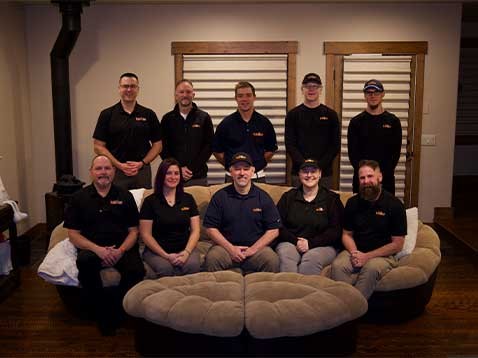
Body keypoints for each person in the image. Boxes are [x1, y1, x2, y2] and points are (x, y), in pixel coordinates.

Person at [64, 155, 145, 335]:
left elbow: (134, 231)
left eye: (107, 168)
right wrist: (98, 250)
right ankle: (102, 313)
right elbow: (73, 235)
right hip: (92, 249)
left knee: (137, 271)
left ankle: (115, 310)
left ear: (114, 172)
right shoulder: (78, 198)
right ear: (91, 172)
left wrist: (121, 250)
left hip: (121, 247)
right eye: (99, 169)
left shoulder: (125, 196)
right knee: (84, 262)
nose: (103, 172)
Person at [331, 160, 407, 299]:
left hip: (382, 256)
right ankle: (344, 305)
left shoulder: (395, 205)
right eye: (362, 178)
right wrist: (355, 253)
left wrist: (367, 257)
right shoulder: (352, 203)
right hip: (355, 251)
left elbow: (398, 244)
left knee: (370, 269)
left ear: (380, 177)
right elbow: (346, 234)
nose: (366, 181)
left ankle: (351, 308)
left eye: (370, 176)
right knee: (338, 266)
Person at [203, 152, 281, 273]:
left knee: (272, 260)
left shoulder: (263, 197)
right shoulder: (220, 197)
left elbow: (274, 230)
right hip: (226, 249)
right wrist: (231, 249)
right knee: (212, 258)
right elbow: (210, 228)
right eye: (237, 169)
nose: (242, 173)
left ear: (252, 171)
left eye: (246, 169)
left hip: (256, 250)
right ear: (231, 171)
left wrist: (253, 250)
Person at [93, 72, 162, 190]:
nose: (129, 89)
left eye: (132, 86)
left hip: (141, 172)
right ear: (119, 88)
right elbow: (98, 146)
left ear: (138, 89)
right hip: (116, 171)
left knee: (142, 206)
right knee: (116, 205)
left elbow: (158, 145)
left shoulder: (149, 114)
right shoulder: (107, 114)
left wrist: (142, 163)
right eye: (125, 86)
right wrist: (119, 165)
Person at [275, 159, 344, 274]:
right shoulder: (288, 197)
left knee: (311, 259)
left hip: (323, 246)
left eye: (313, 171)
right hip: (291, 243)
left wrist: (311, 243)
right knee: (286, 257)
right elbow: (278, 225)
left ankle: (304, 292)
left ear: (320, 174)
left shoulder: (332, 199)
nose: (309, 175)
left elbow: (336, 230)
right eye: (305, 171)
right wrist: (296, 241)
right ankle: (287, 291)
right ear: (299, 174)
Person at [139, 158, 201, 277]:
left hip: (184, 248)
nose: (173, 177)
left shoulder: (188, 199)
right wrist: (166, 256)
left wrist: (187, 253)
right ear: (161, 175)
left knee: (192, 266)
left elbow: (196, 230)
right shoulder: (150, 202)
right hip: (157, 251)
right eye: (168, 173)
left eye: (176, 173)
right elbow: (145, 235)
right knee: (165, 268)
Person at [212, 81, 278, 183]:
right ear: (236, 98)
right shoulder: (226, 124)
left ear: (254, 97)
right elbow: (216, 150)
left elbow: (271, 149)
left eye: (248, 95)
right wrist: (231, 164)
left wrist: (259, 163)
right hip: (232, 178)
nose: (244, 99)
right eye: (240, 96)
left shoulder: (264, 123)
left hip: (257, 177)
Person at [285, 73, 340, 189]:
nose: (311, 89)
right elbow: (290, 145)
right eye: (307, 86)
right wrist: (305, 166)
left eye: (315, 86)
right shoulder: (293, 115)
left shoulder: (331, 115)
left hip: (324, 174)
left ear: (320, 90)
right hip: (299, 172)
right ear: (302, 89)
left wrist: (318, 167)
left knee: (324, 205)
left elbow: (335, 146)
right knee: (298, 205)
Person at [347, 79, 402, 195]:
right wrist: (367, 175)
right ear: (365, 95)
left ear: (383, 94)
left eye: (376, 92)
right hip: (363, 180)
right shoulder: (356, 122)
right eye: (369, 93)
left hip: (385, 180)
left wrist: (379, 175)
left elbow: (395, 154)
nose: (372, 96)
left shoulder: (393, 122)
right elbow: (353, 155)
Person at [160, 79, 214, 186]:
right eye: (181, 92)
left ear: (193, 94)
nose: (185, 95)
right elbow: (163, 147)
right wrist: (178, 168)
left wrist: (191, 169)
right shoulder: (167, 119)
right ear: (176, 95)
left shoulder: (204, 117)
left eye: (188, 92)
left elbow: (209, 146)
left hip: (198, 176)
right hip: (173, 176)